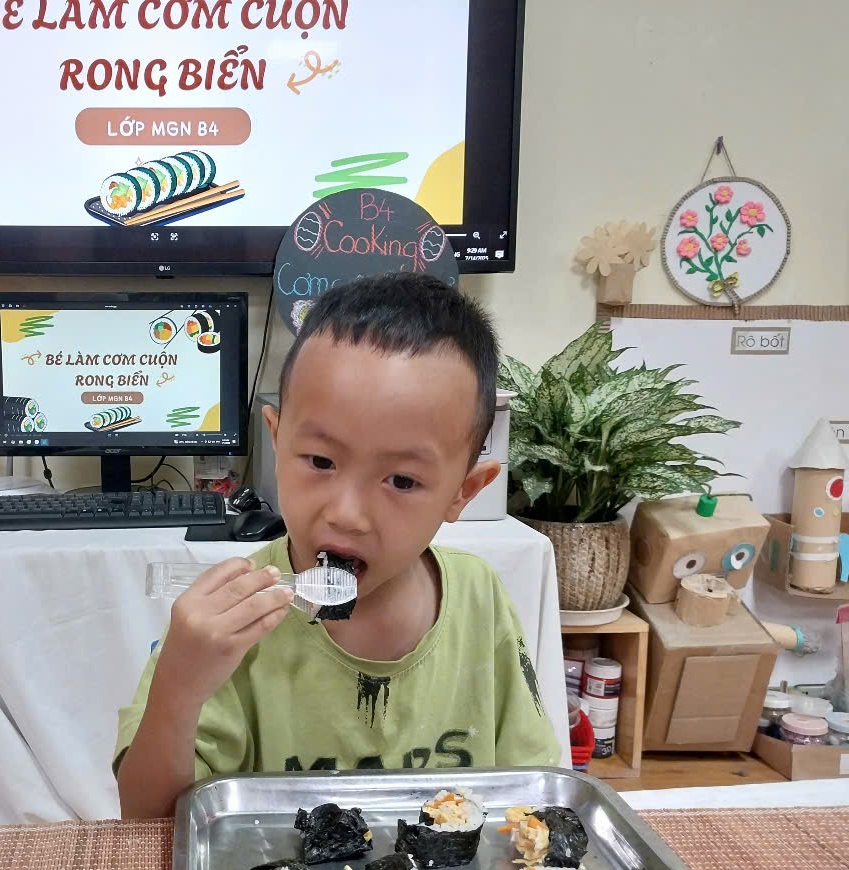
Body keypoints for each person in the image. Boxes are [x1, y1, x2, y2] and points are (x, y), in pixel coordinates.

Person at [115, 273, 560, 818]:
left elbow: (533, 791)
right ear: (276, 440)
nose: (346, 514)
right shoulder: (230, 624)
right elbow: (146, 819)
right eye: (321, 461)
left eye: (402, 480)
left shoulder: (478, 596)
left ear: (462, 493)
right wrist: (177, 689)